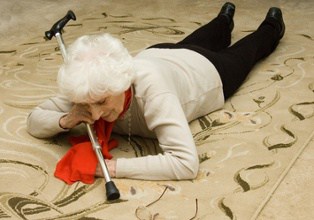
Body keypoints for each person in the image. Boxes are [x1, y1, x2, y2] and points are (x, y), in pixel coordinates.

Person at [27, 2, 285, 181]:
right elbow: (34, 121)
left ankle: (272, 28)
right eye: (87, 105)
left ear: (123, 81)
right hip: (160, 52)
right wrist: (67, 119)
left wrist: (107, 167)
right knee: (204, 35)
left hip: (206, 72)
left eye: (102, 102)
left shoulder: (154, 93)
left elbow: (185, 163)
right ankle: (223, 20)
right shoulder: (89, 91)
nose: (93, 114)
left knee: (248, 51)